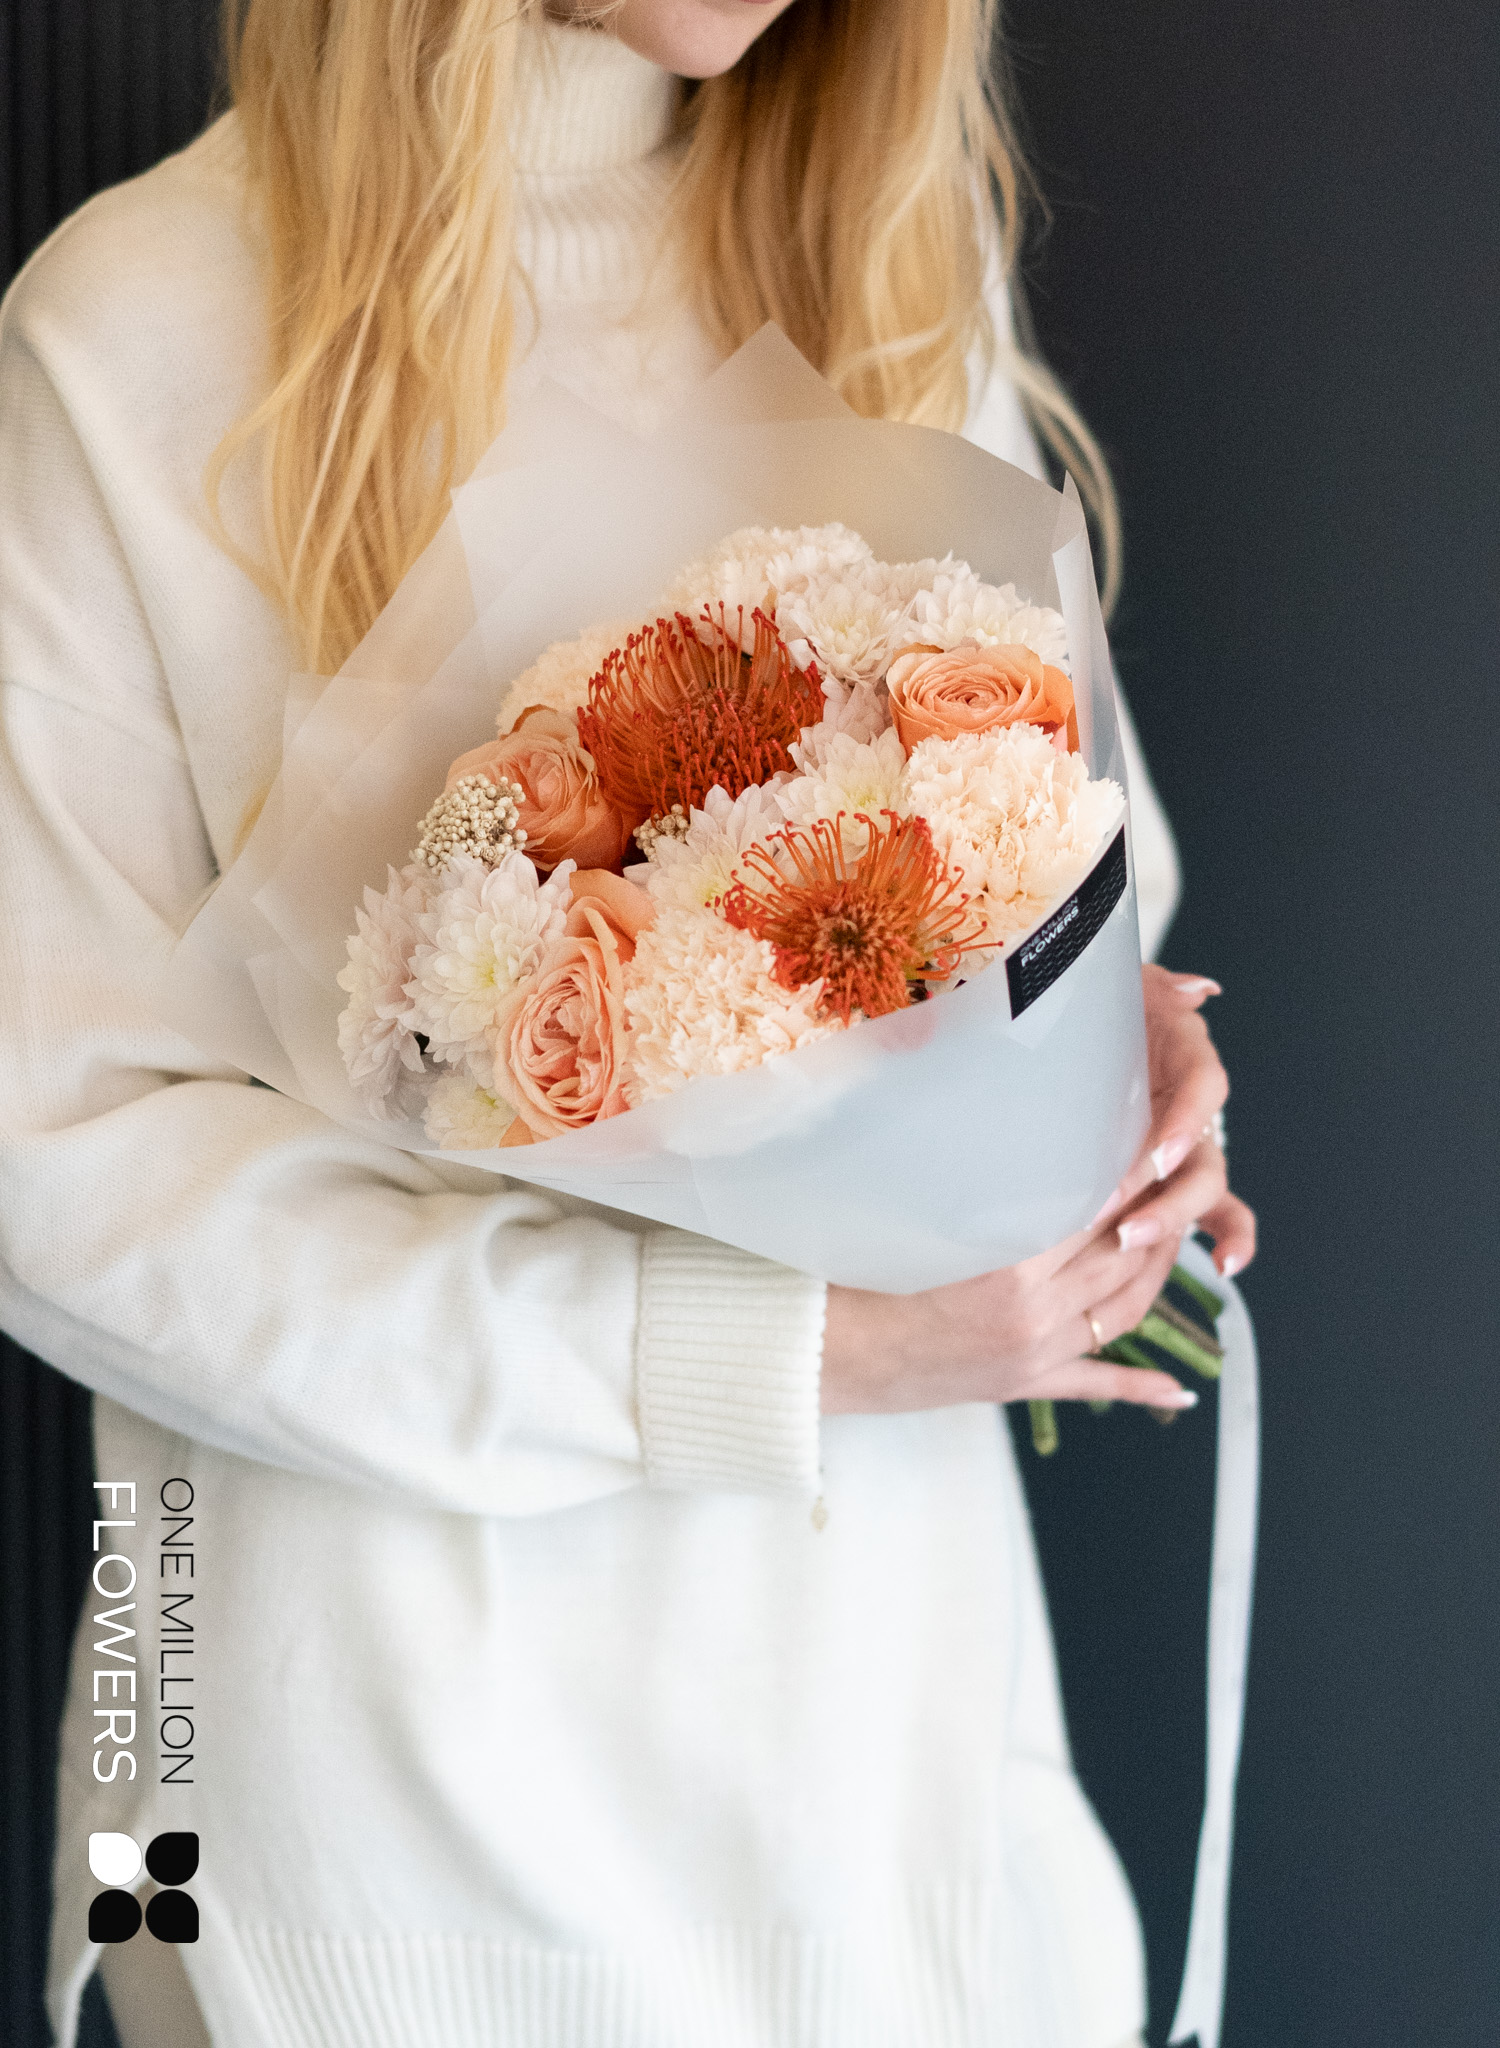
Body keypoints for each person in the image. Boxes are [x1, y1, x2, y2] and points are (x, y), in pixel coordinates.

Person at [0, 1, 1255, 2044]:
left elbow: (1090, 857)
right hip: (360, 1871)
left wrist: (1115, 1050)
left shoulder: (887, 239)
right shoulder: (126, 336)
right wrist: (775, 1354)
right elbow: (65, 1181)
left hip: (895, 1800)